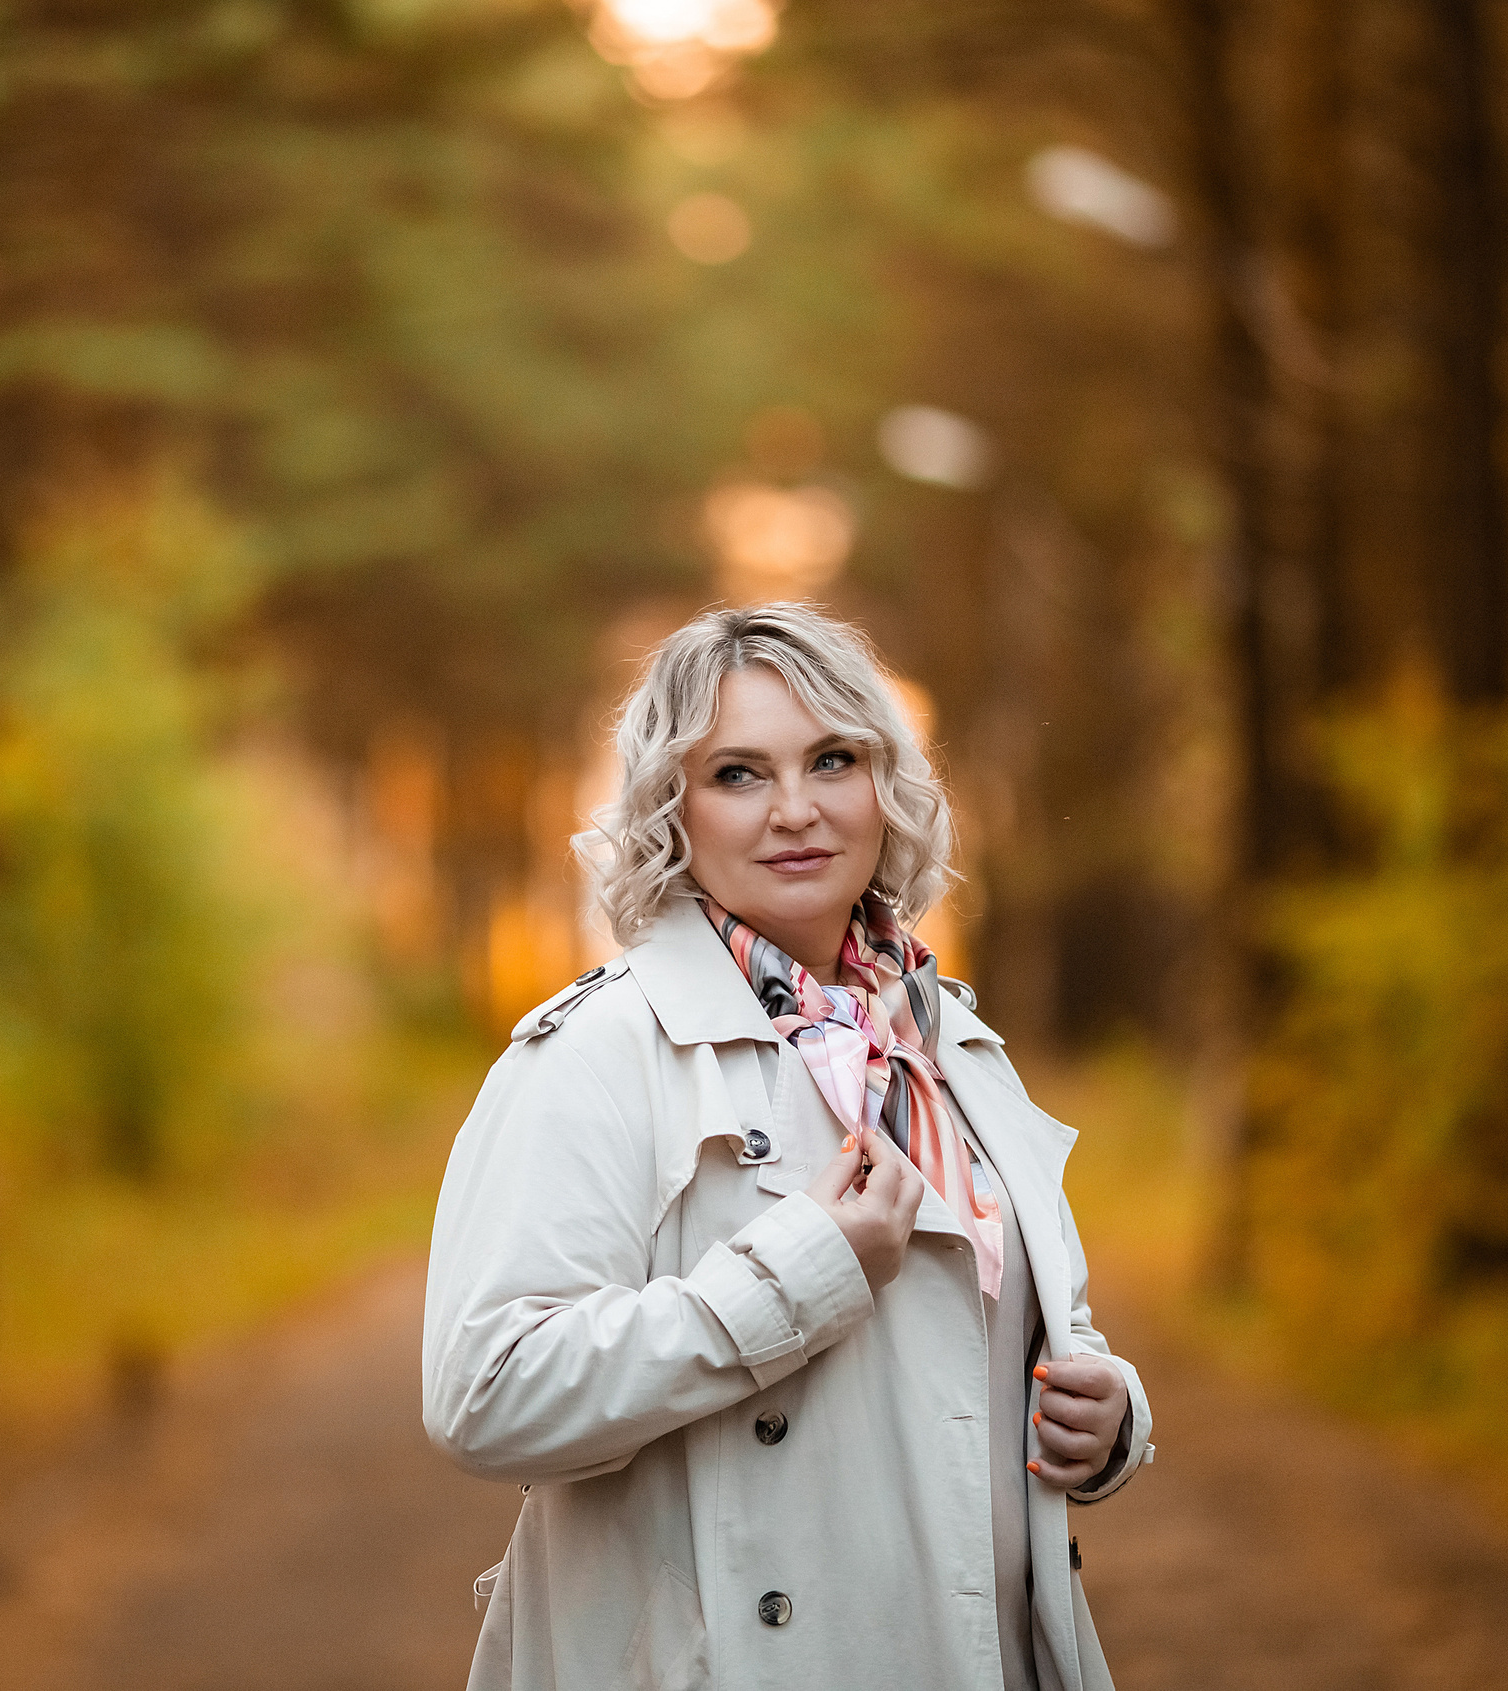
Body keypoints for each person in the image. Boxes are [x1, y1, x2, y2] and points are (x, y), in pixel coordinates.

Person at [421, 601, 1155, 1691]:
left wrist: (1107, 1415)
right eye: (738, 774)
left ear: (884, 782)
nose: (797, 810)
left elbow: (1015, 1331)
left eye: (832, 759)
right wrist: (796, 1277)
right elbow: (488, 1393)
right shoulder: (603, 1049)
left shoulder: (946, 1038)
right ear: (672, 808)